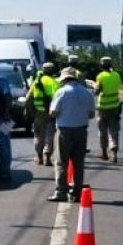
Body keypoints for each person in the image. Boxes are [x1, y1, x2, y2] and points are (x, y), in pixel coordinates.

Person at [48, 67, 95, 202]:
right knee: (78, 163)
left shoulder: (61, 92)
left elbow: (53, 112)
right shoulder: (86, 93)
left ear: (64, 79)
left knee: (61, 162)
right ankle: (77, 193)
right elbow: (91, 114)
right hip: (81, 131)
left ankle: (61, 192)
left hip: (64, 131)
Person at [27, 62, 59, 166]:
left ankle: (39, 157)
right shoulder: (54, 82)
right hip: (50, 113)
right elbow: (57, 98)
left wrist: (28, 111)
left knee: (38, 134)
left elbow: (28, 97)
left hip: (38, 113)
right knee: (49, 135)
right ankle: (47, 157)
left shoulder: (36, 82)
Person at [93, 56, 123, 163]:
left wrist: (94, 87)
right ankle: (114, 153)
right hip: (114, 106)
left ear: (101, 65)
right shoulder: (117, 75)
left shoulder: (100, 76)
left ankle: (104, 153)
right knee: (114, 130)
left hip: (103, 107)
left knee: (103, 130)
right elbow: (118, 86)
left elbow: (97, 91)